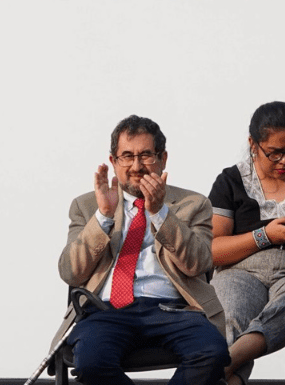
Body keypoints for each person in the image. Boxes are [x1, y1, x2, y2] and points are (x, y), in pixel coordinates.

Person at [55, 115, 229, 385]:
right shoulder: (87, 205)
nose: (136, 166)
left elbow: (199, 264)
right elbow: (70, 272)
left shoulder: (193, 203)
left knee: (212, 353)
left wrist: (160, 213)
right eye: (127, 156)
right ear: (113, 161)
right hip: (106, 311)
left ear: (163, 159)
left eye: (146, 155)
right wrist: (103, 216)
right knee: (91, 362)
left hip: (173, 310)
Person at [209, 102, 285, 385]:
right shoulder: (231, 180)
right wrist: (264, 236)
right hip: (240, 270)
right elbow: (212, 250)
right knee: (230, 315)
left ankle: (223, 366)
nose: (284, 161)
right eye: (275, 153)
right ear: (253, 144)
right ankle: (229, 375)